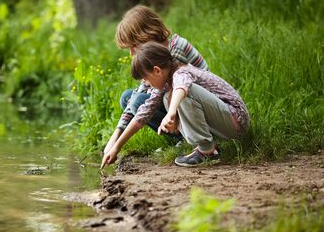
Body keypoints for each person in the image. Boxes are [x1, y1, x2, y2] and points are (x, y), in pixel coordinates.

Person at [102, 41, 249, 168]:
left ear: (157, 71)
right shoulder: (164, 84)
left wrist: (171, 113)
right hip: (222, 123)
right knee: (167, 97)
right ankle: (205, 147)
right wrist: (117, 147)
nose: (146, 84)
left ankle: (207, 151)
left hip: (235, 120)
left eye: (146, 79)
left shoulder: (181, 72)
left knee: (182, 94)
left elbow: (182, 88)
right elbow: (143, 114)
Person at [101, 5, 209, 168]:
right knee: (128, 97)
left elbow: (157, 97)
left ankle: (192, 137)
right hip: (175, 103)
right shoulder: (151, 56)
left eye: (133, 46)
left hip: (197, 106)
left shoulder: (175, 49)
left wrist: (118, 146)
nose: (131, 53)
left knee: (139, 102)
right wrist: (114, 138)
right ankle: (182, 138)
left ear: (146, 35)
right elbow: (140, 94)